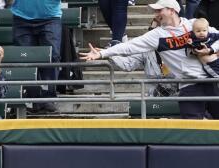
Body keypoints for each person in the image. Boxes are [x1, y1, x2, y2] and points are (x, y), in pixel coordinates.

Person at [80, 0, 219, 119]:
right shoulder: (156, 35)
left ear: (172, 10)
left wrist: (211, 50)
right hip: (189, 87)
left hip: (213, 81)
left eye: (159, 10)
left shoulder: (193, 24)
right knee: (193, 132)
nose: (156, 15)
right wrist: (104, 53)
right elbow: (129, 46)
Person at [11, 0, 62, 114]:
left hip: (50, 17)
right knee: (25, 60)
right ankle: (32, 99)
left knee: (52, 57)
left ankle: (48, 98)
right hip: (21, 17)